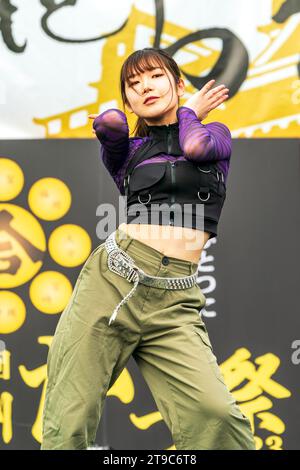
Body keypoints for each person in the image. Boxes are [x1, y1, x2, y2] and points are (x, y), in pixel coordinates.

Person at [41, 47, 256, 450]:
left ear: (177, 84)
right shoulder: (130, 151)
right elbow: (109, 126)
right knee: (69, 416)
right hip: (114, 280)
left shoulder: (215, 135)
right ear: (128, 100)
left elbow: (195, 149)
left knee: (217, 416)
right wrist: (112, 121)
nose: (145, 87)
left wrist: (189, 111)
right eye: (133, 85)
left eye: (155, 77)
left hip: (175, 297)